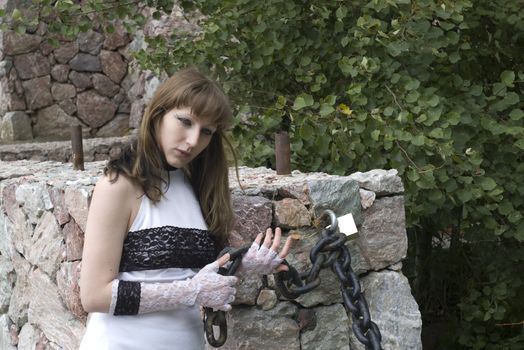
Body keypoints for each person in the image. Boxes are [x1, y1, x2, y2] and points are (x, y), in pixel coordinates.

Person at [79, 68, 292, 349]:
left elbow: (196, 276)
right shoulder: (119, 186)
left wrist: (244, 265)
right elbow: (94, 295)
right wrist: (191, 292)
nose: (193, 141)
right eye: (185, 121)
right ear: (158, 114)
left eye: (206, 132)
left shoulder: (197, 185)